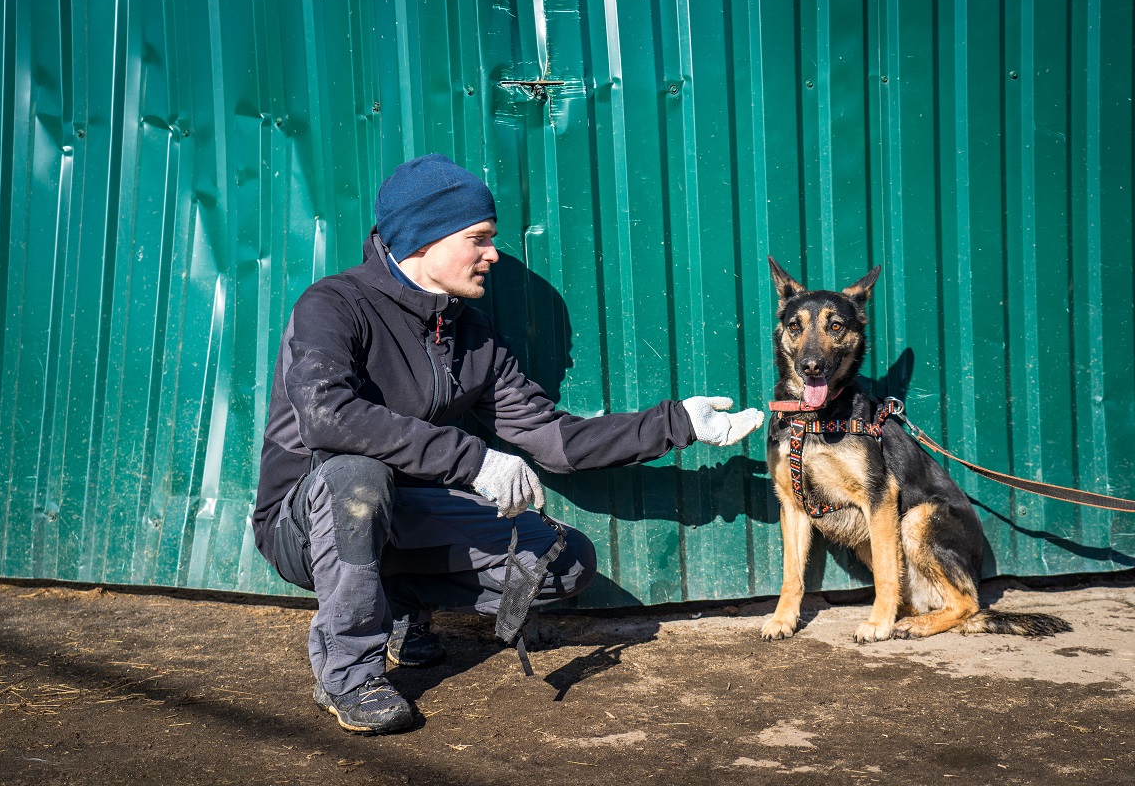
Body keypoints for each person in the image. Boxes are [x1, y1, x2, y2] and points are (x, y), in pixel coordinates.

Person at [252, 154, 764, 734]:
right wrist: (472, 459)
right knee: (358, 478)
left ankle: (397, 604)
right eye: (479, 238)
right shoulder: (334, 306)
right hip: (306, 519)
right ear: (424, 239)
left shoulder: (469, 334)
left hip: (406, 518)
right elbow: (327, 417)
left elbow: (554, 440)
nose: (492, 254)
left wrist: (678, 423)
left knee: (562, 563)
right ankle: (349, 674)